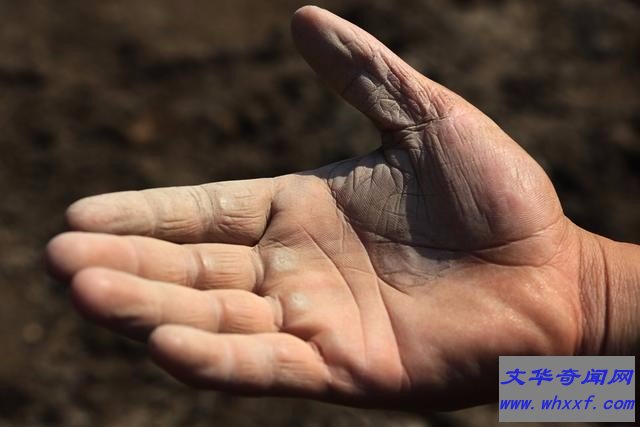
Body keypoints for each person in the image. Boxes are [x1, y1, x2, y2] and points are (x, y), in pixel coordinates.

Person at [45, 6, 639, 411]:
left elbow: (619, 396)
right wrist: (571, 323)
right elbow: (622, 396)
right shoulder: (578, 372)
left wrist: (566, 334)